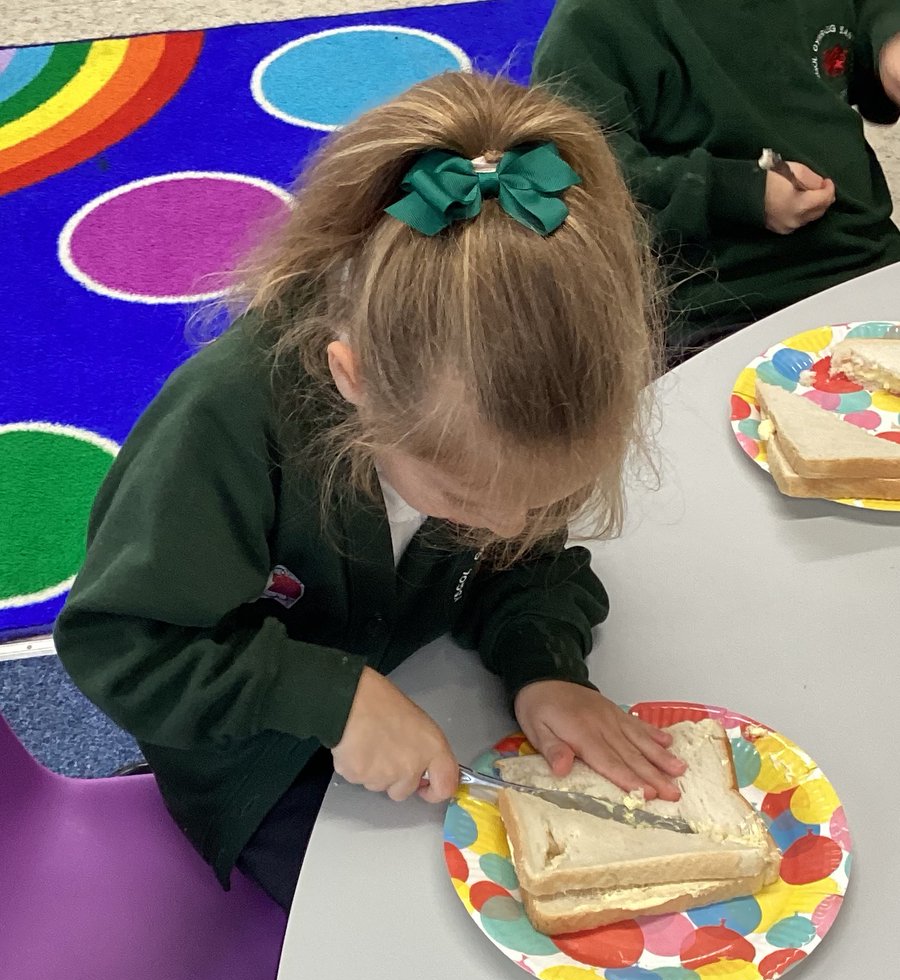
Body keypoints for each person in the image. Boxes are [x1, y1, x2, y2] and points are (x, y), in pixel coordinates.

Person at [55, 72, 685, 912]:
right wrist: (330, 697)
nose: (506, 529)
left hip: (427, 691)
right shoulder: (225, 419)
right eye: (467, 496)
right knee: (418, 934)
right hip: (254, 755)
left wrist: (545, 667)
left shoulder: (510, 405)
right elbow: (121, 646)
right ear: (352, 381)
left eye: (539, 502)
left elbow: (526, 572)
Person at [532, 0, 900, 365]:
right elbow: (568, 176)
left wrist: (887, 38)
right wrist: (733, 192)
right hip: (713, 304)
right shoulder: (594, 20)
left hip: (868, 262)